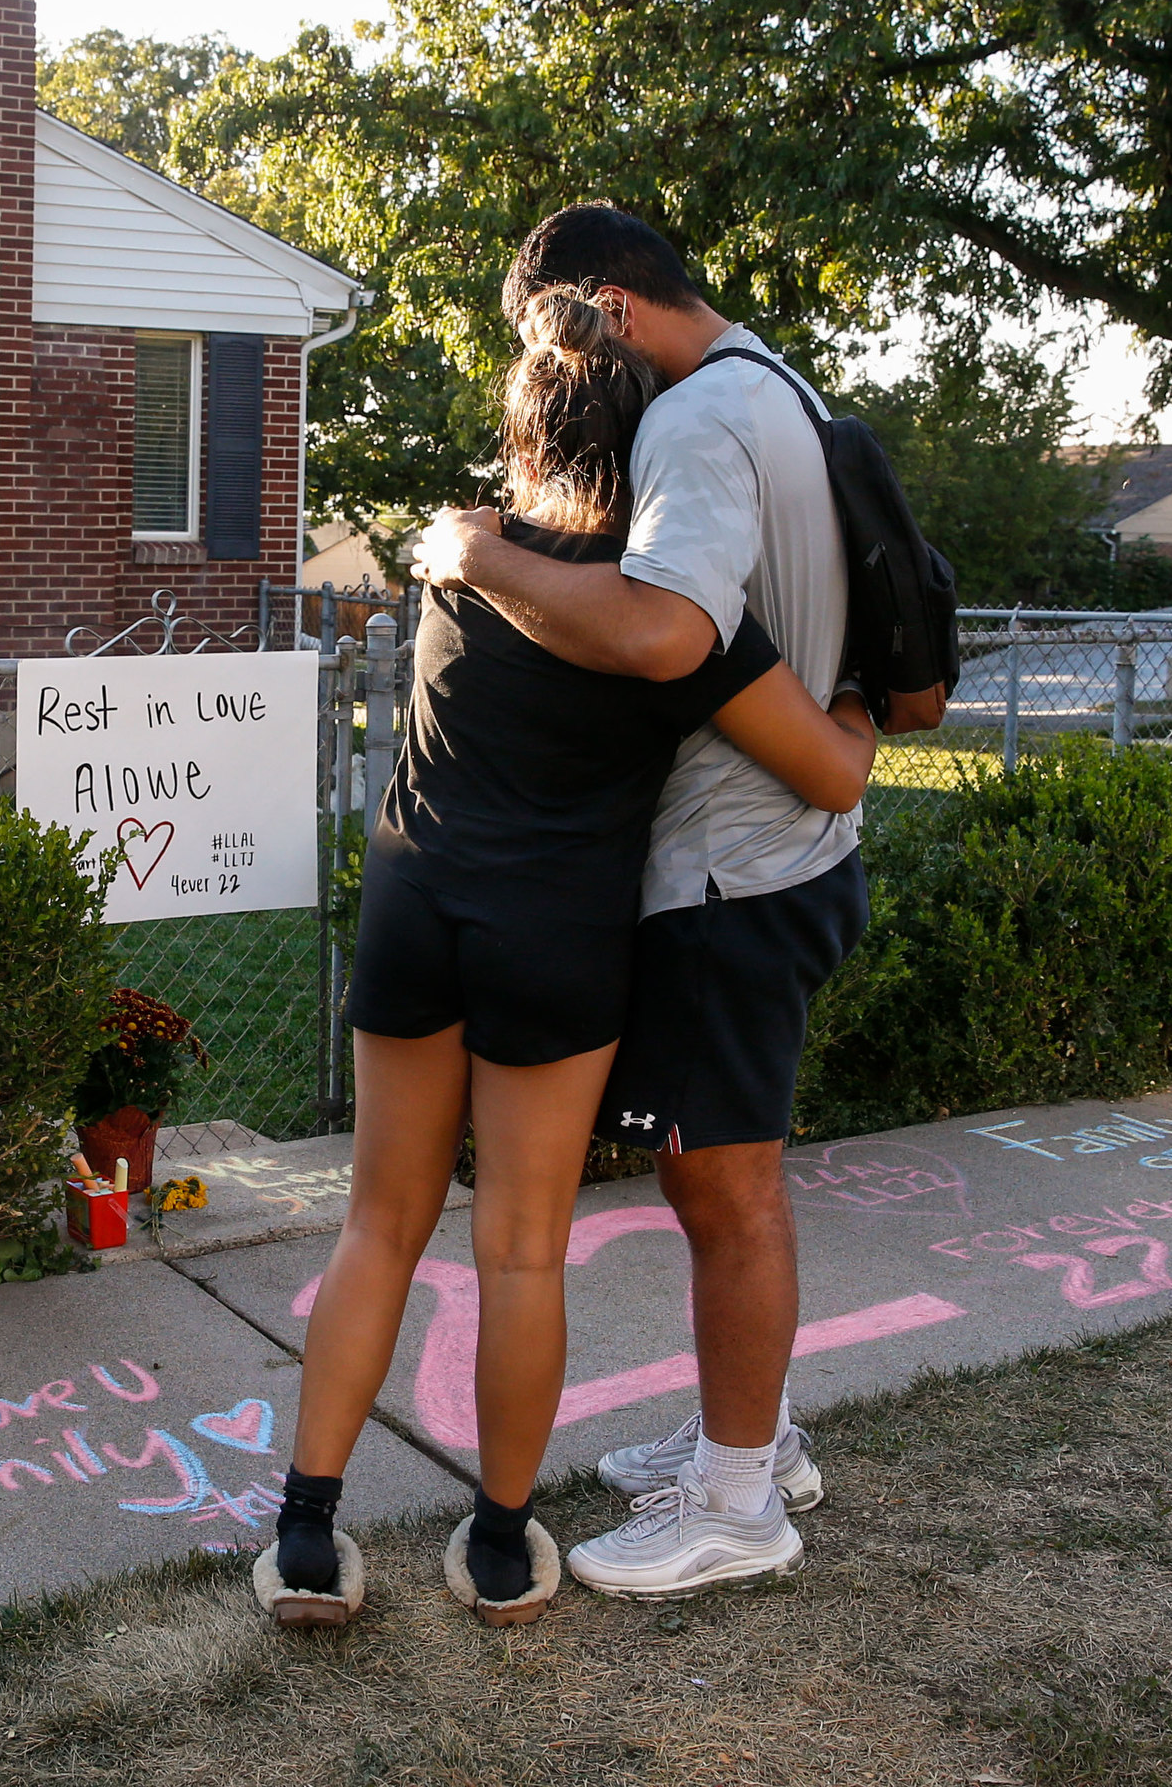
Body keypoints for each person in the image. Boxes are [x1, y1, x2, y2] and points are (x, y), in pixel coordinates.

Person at [256, 286, 875, 1630]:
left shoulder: (456, 561)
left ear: (522, 429)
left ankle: (307, 1534)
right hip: (561, 935)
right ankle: (496, 1544)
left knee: (378, 1223)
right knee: (523, 1251)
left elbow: (488, 554)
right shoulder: (673, 622)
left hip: (417, 905)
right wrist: (866, 708)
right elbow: (826, 767)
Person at [409, 202, 870, 1602]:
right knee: (714, 1173)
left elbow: (675, 631)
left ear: (605, 306)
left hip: (738, 864)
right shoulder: (775, 381)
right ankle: (754, 1436)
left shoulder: (696, 422)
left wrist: (481, 554)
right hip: (777, 845)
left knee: (726, 1184)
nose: (552, 369)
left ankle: (737, 1501)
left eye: (546, 333)